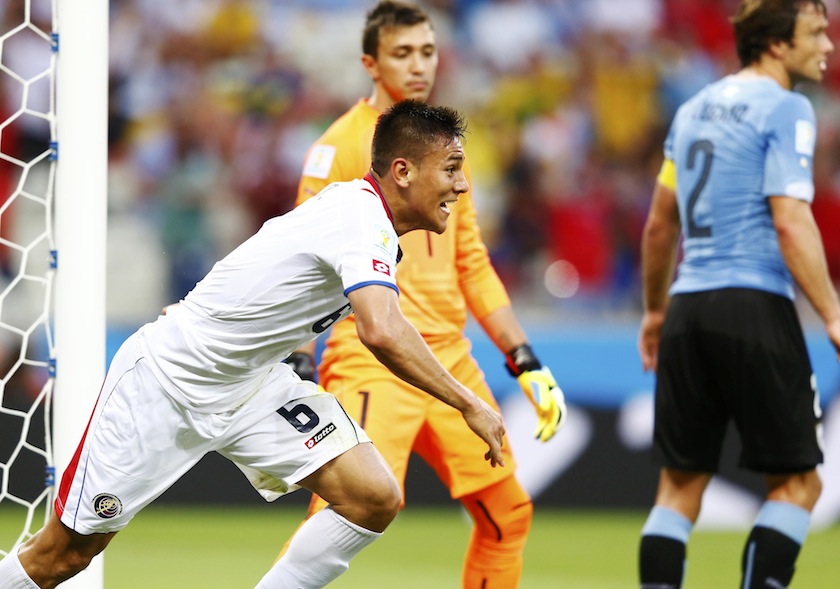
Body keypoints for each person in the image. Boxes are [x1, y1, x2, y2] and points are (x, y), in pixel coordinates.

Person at [0, 100, 507, 589]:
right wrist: (469, 403)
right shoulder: (360, 218)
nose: (462, 185)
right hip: (170, 381)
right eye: (452, 168)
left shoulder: (364, 222)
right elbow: (383, 330)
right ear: (402, 170)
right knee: (62, 558)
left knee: (371, 495)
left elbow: (270, 268)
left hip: (251, 383)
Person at [278, 2, 566, 588]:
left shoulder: (443, 143)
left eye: (427, 51)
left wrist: (524, 358)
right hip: (371, 360)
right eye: (402, 53)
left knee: (507, 516)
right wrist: (301, 355)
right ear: (370, 62)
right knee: (341, 513)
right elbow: (301, 259)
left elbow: (472, 263)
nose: (418, 65)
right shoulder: (340, 148)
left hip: (449, 362)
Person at [637, 1, 838, 588]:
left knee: (677, 488)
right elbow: (790, 221)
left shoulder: (693, 107)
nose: (828, 45)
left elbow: (657, 226)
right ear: (777, 44)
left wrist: (654, 311)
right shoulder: (788, 107)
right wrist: (832, 314)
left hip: (687, 310)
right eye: (817, 33)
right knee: (799, 484)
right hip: (753, 305)